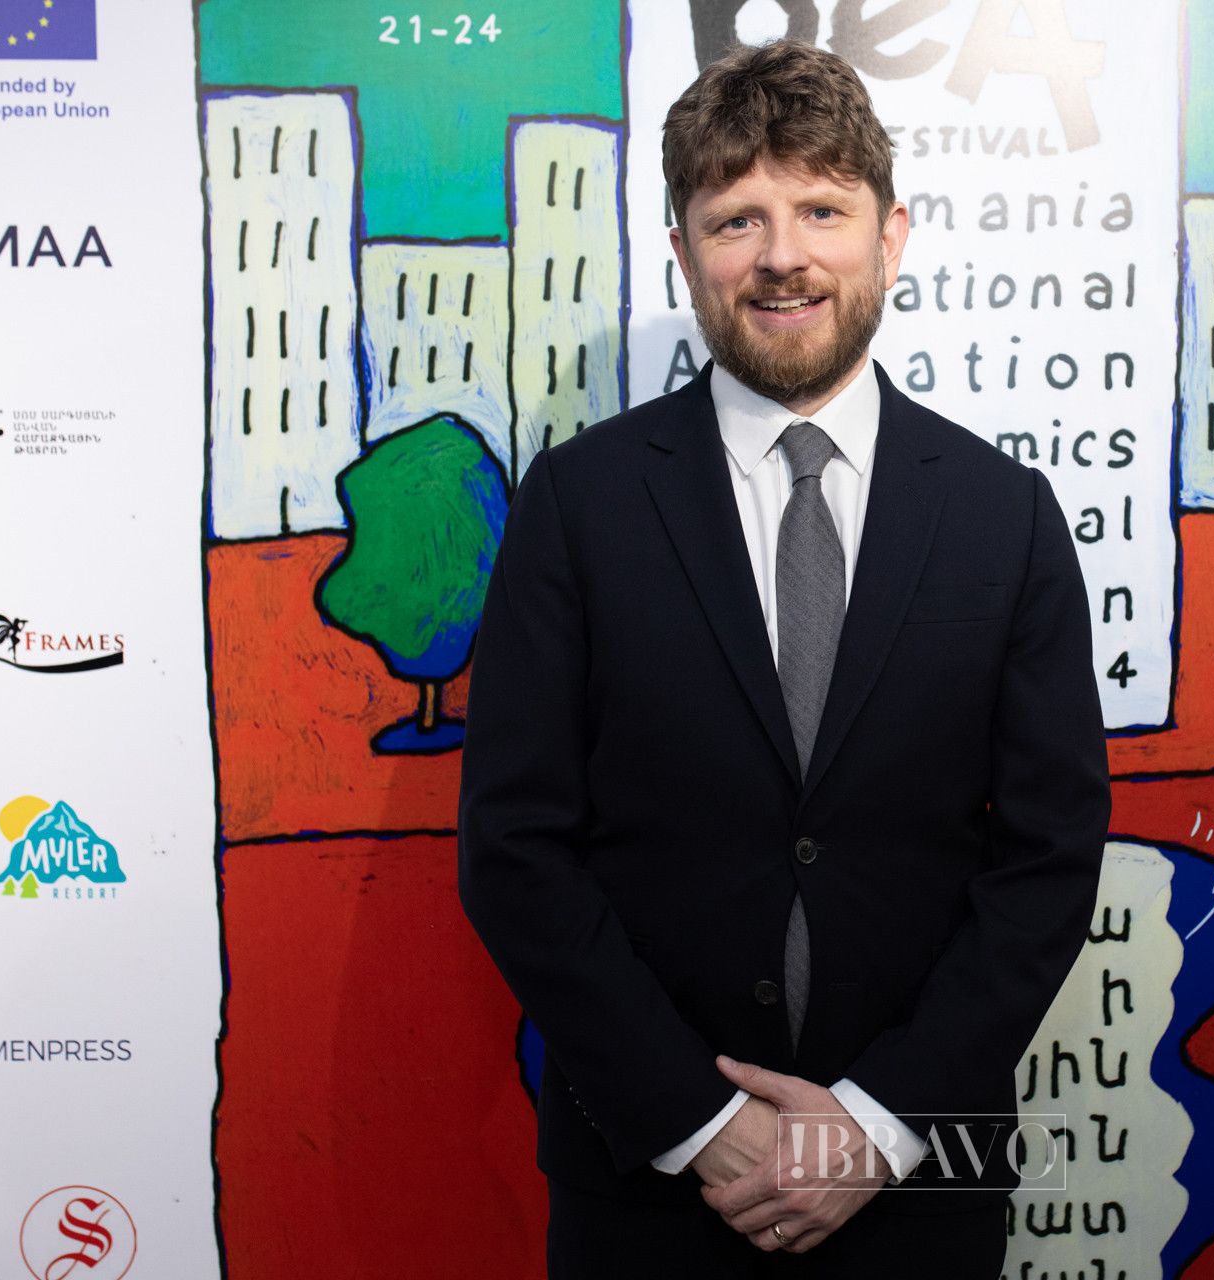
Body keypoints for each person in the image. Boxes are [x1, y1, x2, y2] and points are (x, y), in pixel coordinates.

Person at [457, 37, 1109, 1278]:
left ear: (891, 236)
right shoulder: (578, 505)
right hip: (649, 1186)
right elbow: (514, 850)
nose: (781, 255)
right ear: (683, 252)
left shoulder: (1005, 515)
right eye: (735, 219)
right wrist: (704, 1125)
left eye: (821, 209)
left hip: (920, 1186)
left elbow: (1048, 858)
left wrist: (874, 1127)